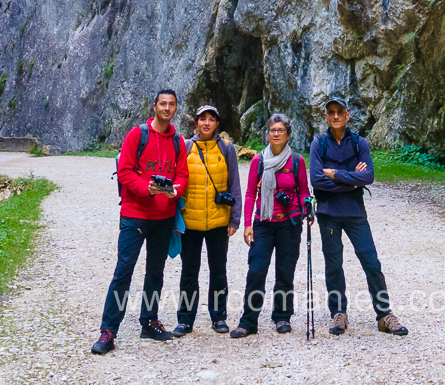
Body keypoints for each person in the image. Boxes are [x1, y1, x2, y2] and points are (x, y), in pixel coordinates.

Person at [90, 89, 190, 355]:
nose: (167, 108)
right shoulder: (137, 135)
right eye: (163, 104)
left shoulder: (178, 141)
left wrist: (175, 190)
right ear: (154, 106)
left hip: (164, 216)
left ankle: (149, 321)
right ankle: (108, 331)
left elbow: (183, 175)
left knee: (155, 272)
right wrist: (147, 188)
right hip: (135, 214)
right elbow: (124, 172)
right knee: (124, 271)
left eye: (171, 105)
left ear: (176, 109)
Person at [309, 97, 408, 336]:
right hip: (328, 213)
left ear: (347, 115)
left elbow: (369, 177)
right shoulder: (319, 144)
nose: (335, 116)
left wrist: (337, 175)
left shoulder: (359, 143)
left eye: (339, 112)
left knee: (371, 262)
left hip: (355, 212)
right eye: (331, 112)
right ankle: (338, 314)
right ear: (325, 116)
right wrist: (351, 180)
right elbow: (316, 180)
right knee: (334, 264)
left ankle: (384, 315)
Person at [230, 113, 311, 338]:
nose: (276, 134)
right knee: (256, 271)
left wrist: (307, 207)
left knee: (285, 271)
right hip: (263, 223)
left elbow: (304, 191)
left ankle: (282, 316)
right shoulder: (259, 160)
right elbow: (249, 193)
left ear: (288, 134)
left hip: (289, 223)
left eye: (280, 130)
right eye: (272, 130)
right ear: (268, 134)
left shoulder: (296, 161)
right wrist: (248, 225)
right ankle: (248, 321)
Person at [174, 104, 242, 335]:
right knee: (189, 271)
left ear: (217, 124)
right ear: (196, 123)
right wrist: (175, 219)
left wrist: (234, 220)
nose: (206, 123)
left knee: (218, 270)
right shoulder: (186, 147)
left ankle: (219, 317)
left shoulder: (226, 148)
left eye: (211, 119)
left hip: (218, 221)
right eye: (202, 118)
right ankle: (185, 319)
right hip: (190, 221)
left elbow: (234, 184)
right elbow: (178, 181)